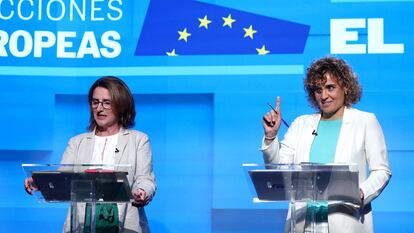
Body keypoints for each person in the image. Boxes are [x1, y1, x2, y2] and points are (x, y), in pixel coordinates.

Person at [261, 57, 391, 233]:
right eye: (317, 90)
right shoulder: (301, 124)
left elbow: (382, 171)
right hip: (303, 222)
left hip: (345, 219)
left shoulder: (365, 121)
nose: (323, 96)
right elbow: (279, 170)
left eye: (330, 87)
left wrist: (361, 192)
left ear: (346, 87)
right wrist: (271, 137)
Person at [24, 76, 156, 233]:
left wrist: (143, 192)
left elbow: (145, 179)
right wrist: (41, 182)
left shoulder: (138, 140)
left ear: (121, 105)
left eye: (107, 103)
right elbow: (63, 177)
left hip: (125, 225)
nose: (100, 108)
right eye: (95, 102)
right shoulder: (77, 142)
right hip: (81, 224)